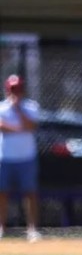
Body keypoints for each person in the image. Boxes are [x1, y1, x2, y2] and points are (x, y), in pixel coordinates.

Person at [0, 75, 41, 242]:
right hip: (5, 158)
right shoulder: (2, 107)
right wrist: (19, 128)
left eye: (18, 89)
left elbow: (31, 126)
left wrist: (18, 110)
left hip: (27, 158)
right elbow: (1, 126)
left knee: (30, 193)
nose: (15, 92)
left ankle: (32, 229)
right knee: (2, 193)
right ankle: (1, 228)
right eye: (12, 89)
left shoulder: (31, 107)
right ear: (7, 90)